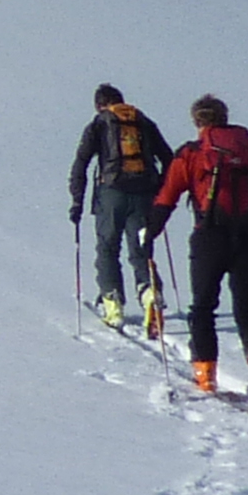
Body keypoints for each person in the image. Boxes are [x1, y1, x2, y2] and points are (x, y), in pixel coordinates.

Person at [148, 95, 248, 413]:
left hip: (209, 238)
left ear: (198, 122)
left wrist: (150, 232)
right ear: (224, 118)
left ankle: (205, 376)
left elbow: (167, 195)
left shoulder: (191, 154)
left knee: (203, 308)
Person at [66, 84, 173, 330]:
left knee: (107, 248)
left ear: (99, 104)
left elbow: (81, 164)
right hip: (144, 195)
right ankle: (150, 294)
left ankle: (113, 304)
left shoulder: (99, 124)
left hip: (111, 195)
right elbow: (169, 159)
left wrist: (77, 202)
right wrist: (161, 193)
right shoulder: (144, 123)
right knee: (141, 249)